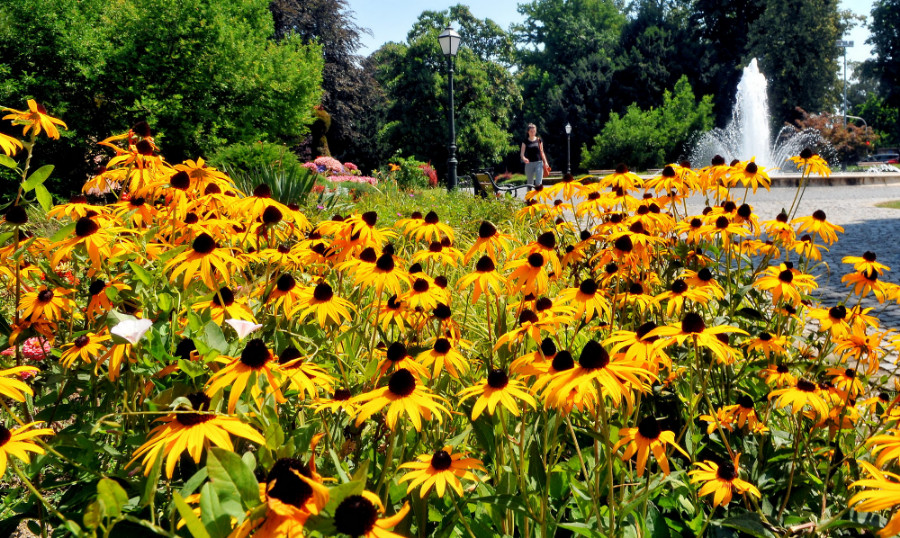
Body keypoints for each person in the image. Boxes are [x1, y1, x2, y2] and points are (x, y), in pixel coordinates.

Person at [520, 123, 548, 189]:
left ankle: (538, 198)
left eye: (534, 131)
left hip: (539, 163)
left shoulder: (539, 140)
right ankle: (529, 198)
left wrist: (545, 162)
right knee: (530, 183)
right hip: (529, 164)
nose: (533, 133)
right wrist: (524, 158)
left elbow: (542, 152)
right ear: (528, 132)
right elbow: (522, 154)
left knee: (538, 183)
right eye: (531, 131)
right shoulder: (525, 141)